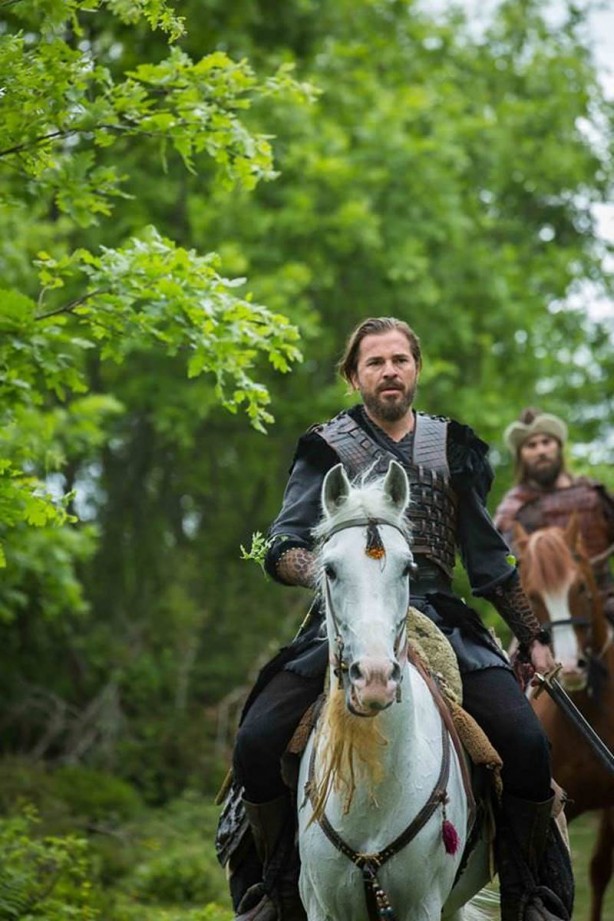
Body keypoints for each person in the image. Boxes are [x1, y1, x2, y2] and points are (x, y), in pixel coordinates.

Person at [227, 318, 573, 921]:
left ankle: (526, 895)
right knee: (256, 739)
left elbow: (488, 556)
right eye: (375, 362)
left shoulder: (453, 446)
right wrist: (329, 573)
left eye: (399, 360)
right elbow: (282, 544)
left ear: (415, 368)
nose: (389, 371)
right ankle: (276, 892)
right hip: (344, 613)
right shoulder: (325, 447)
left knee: (525, 742)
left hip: (440, 613)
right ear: (353, 375)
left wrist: (532, 636)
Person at [494, 407, 614, 624]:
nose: (541, 450)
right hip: (546, 614)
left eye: (546, 442)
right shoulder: (513, 509)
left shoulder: (592, 495)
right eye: (531, 445)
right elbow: (504, 571)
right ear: (521, 455)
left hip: (605, 601)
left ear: (558, 447)